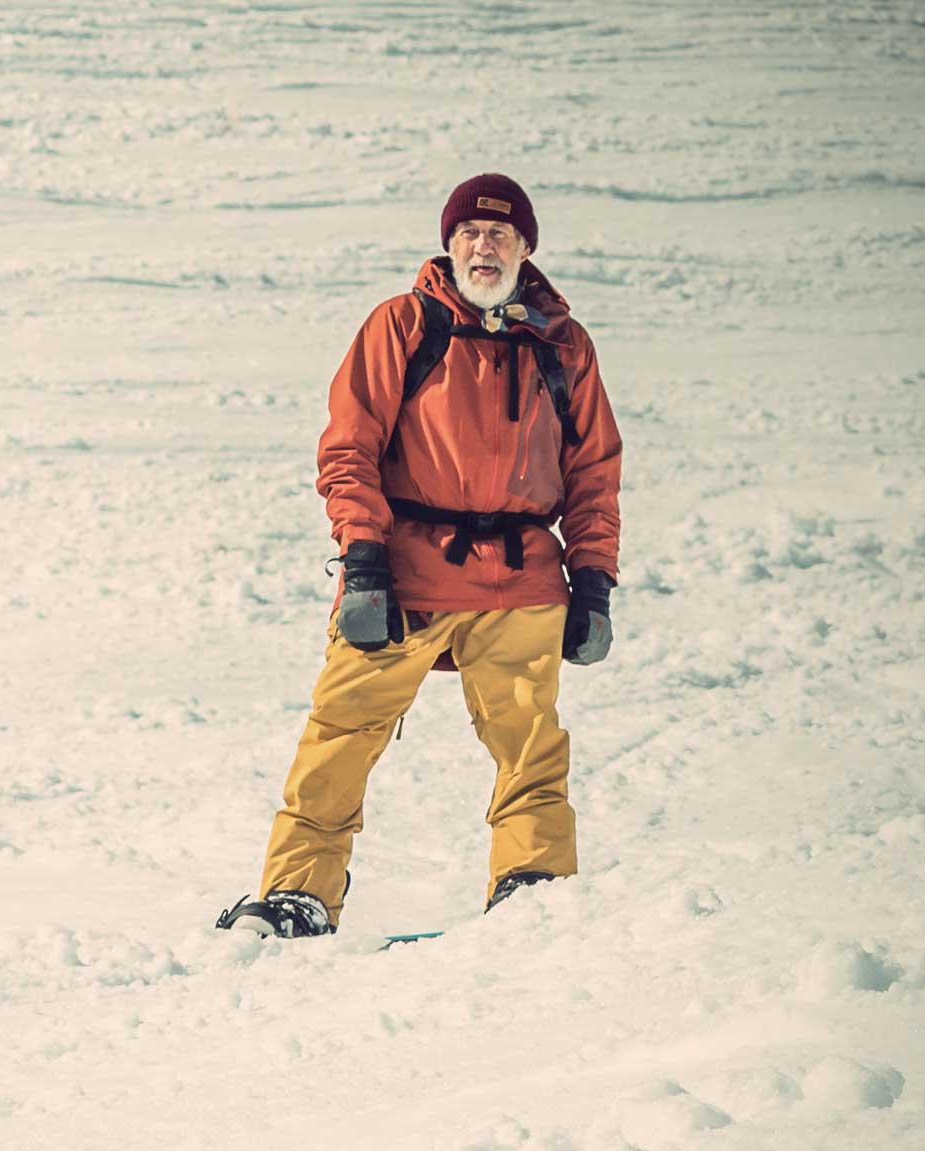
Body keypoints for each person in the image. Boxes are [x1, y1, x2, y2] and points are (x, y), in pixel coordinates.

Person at [220, 173, 626, 938]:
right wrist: (365, 558)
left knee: (531, 745)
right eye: (470, 232)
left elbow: (593, 470)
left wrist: (595, 576)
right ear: (448, 244)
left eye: (501, 234)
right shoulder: (403, 325)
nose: (484, 245)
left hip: (524, 578)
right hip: (407, 573)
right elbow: (349, 449)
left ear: (526, 247)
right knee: (341, 733)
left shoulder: (563, 345)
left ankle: (532, 886)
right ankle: (296, 896)